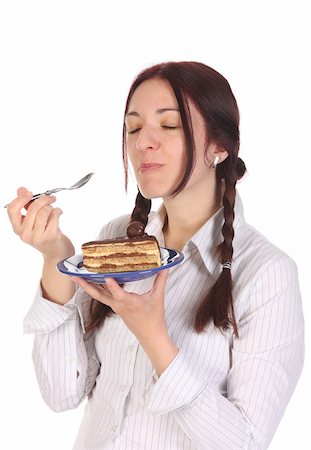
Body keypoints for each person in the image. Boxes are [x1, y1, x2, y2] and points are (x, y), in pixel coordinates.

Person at [7, 61, 304, 450]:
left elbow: (244, 443)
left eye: (169, 125)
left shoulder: (267, 274)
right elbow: (62, 394)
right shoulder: (116, 239)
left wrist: (154, 336)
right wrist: (55, 259)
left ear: (219, 147)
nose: (142, 142)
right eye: (133, 128)